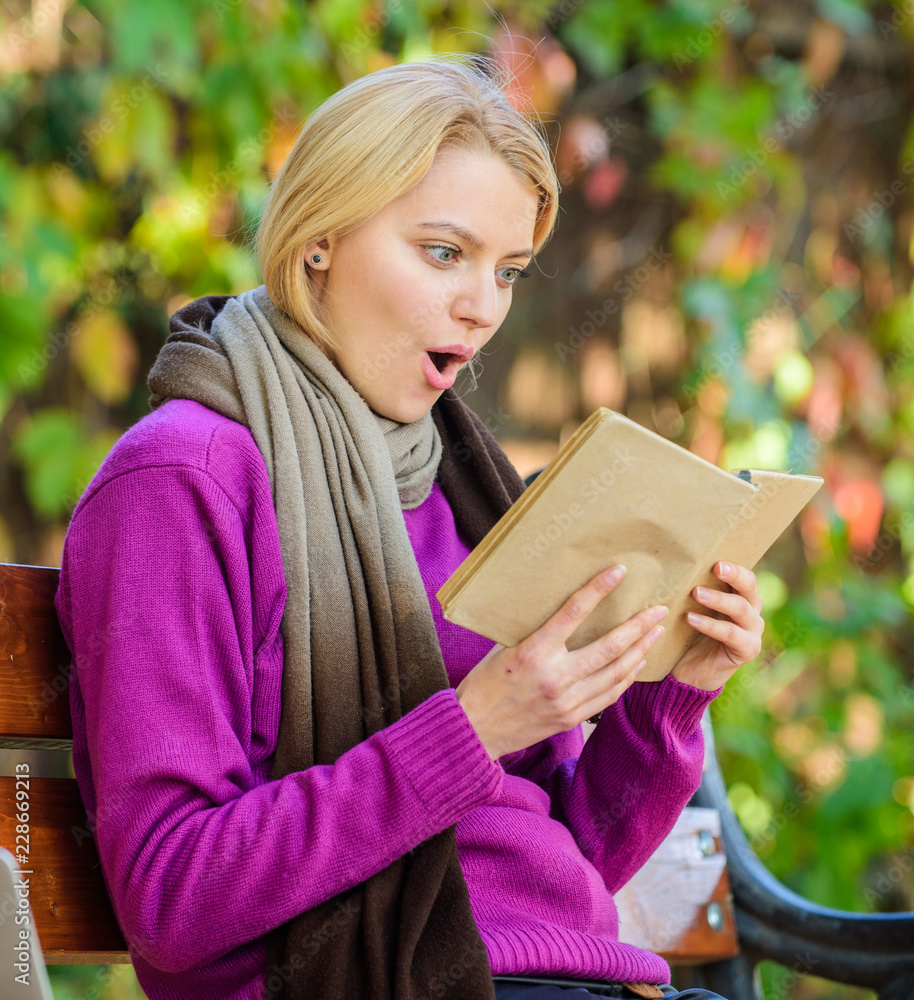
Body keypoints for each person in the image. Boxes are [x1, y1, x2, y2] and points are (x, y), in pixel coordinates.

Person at [54, 56, 764, 1000]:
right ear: (321, 240)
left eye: (506, 271)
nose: (483, 307)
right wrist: (469, 730)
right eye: (444, 253)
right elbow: (174, 895)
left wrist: (674, 694)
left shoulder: (460, 486)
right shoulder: (181, 479)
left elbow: (570, 862)